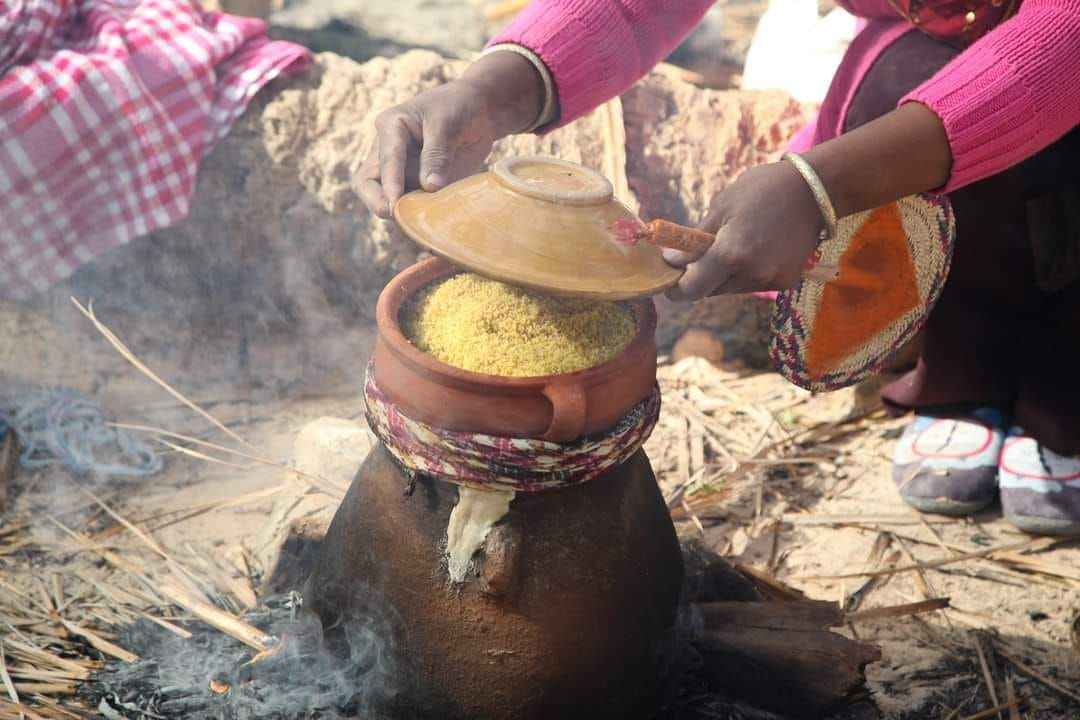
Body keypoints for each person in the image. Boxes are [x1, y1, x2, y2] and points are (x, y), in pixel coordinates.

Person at [354, 0, 1080, 535]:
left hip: (1053, 58)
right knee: (904, 89)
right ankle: (961, 381)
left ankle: (1056, 402)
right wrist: (490, 89)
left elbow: (1059, 43)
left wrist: (818, 186)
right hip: (919, 52)